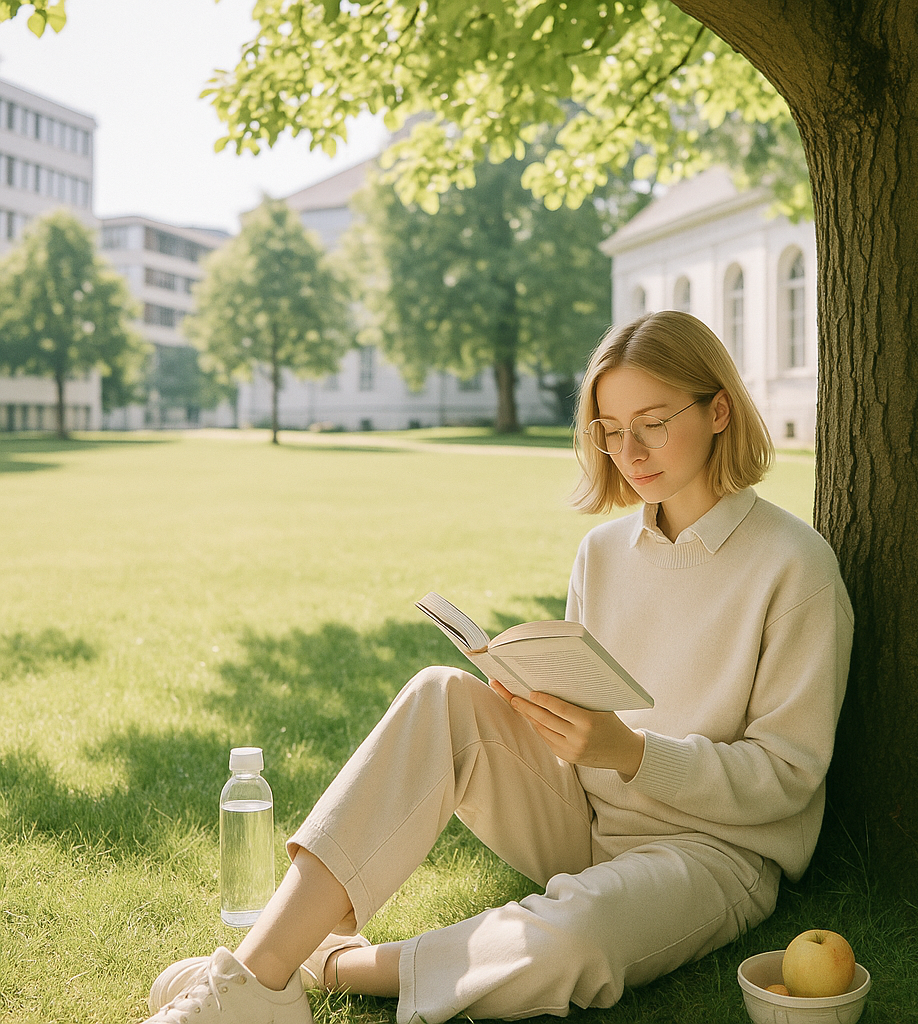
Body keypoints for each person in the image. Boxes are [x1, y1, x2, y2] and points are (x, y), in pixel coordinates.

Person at [142, 310, 853, 1024]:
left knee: (572, 936)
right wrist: (538, 711)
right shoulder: (602, 552)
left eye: (653, 422)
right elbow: (589, 708)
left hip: (715, 855)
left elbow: (787, 780)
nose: (628, 450)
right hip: (586, 816)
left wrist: (632, 754)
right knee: (440, 694)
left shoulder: (794, 565)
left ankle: (323, 963)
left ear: (719, 409)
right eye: (609, 428)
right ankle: (253, 977)